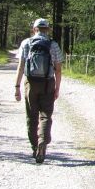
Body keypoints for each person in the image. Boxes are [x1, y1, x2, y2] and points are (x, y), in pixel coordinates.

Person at [14, 18, 63, 163]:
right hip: (48, 83)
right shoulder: (53, 45)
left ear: (34, 29)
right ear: (47, 29)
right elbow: (58, 70)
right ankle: (43, 141)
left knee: (31, 116)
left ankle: (35, 147)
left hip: (31, 84)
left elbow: (21, 67)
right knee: (46, 115)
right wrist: (57, 88)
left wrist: (17, 87)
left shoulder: (26, 43)